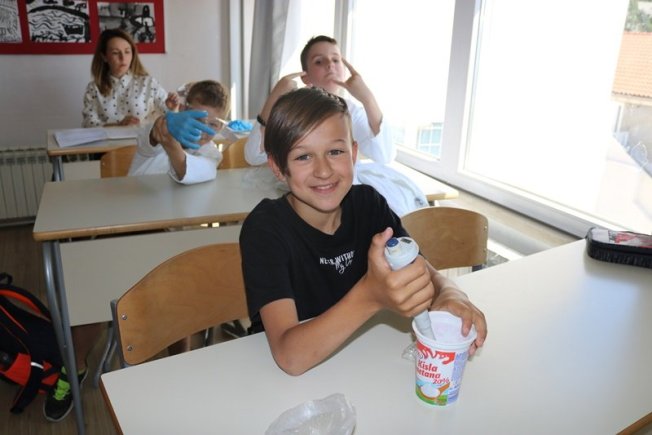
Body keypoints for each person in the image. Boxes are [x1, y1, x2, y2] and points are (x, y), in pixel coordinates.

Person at [240, 87, 486, 376]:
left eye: (335, 152)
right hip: (286, 380)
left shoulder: (369, 204)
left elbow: (422, 270)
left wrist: (451, 292)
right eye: (303, 157)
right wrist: (371, 295)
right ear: (278, 167)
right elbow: (289, 357)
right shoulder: (265, 229)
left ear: (354, 153)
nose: (323, 170)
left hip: (360, 362)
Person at [244, 35, 428, 216]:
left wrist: (367, 98)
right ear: (305, 76)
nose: (330, 65)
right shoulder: (292, 110)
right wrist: (273, 100)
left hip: (345, 200)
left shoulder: (352, 111)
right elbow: (254, 156)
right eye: (319, 61)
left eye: (335, 60)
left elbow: (384, 154)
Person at [128, 80, 229, 184]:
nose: (202, 129)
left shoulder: (212, 154)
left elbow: (193, 172)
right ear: (183, 110)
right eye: (197, 119)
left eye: (212, 125)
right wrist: (166, 129)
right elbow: (148, 141)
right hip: (135, 191)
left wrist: (171, 144)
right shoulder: (162, 130)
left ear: (220, 127)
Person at [81, 28, 178, 128]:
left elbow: (171, 120)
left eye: (127, 52)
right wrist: (117, 125)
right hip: (109, 139)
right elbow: (88, 123)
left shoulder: (149, 83)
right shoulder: (94, 88)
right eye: (115, 53)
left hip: (144, 138)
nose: (123, 58)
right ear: (104, 56)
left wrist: (171, 109)